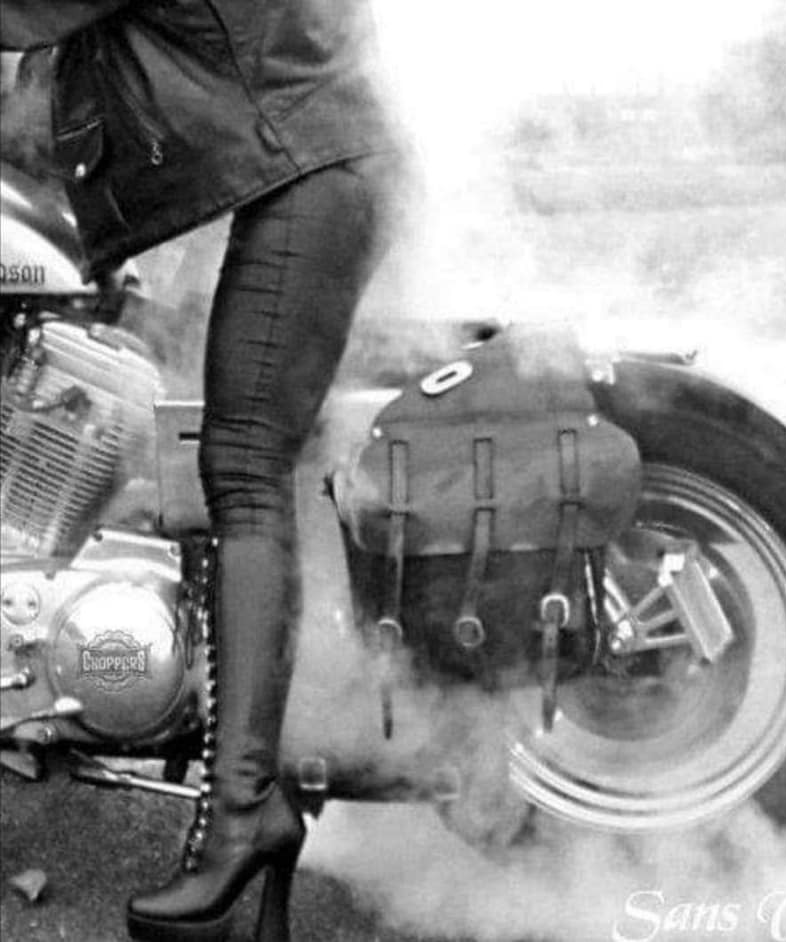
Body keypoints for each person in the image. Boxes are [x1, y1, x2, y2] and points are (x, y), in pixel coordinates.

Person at [1, 3, 404, 940]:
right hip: (288, 155)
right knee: (226, 453)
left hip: (304, 163)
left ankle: (243, 817)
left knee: (245, 469)